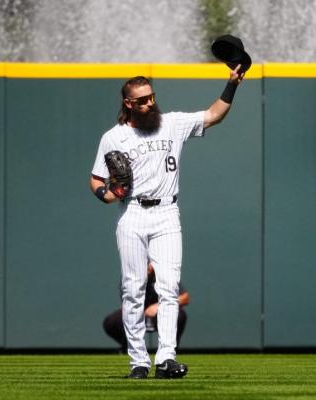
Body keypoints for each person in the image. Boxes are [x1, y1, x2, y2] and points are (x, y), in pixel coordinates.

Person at [90, 65, 245, 379]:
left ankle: (166, 358)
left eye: (151, 97)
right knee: (133, 290)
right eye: (142, 100)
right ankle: (138, 362)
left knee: (169, 287)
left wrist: (232, 85)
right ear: (129, 104)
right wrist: (106, 194)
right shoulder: (114, 137)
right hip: (132, 213)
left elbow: (214, 114)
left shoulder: (171, 123)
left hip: (166, 214)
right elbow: (96, 179)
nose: (149, 103)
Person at [103, 263, 189, 353]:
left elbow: (185, 297)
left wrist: (159, 306)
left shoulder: (164, 275)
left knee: (179, 315)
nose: (146, 266)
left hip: (161, 313)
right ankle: (129, 348)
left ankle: (170, 350)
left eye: (149, 263)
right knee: (111, 321)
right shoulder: (130, 277)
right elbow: (128, 302)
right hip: (137, 312)